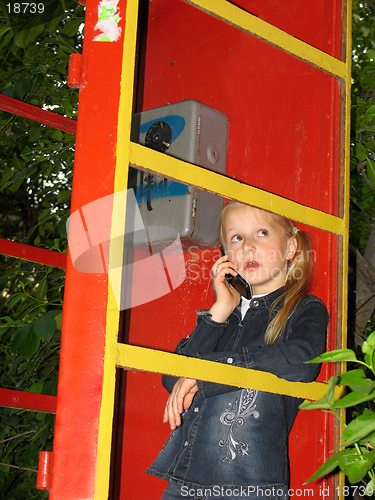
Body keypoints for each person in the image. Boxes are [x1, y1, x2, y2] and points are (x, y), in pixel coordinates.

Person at [146, 201, 328, 500]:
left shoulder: (303, 308)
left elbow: (302, 361)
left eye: (262, 233)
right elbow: (173, 376)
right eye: (236, 238)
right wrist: (219, 311)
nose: (248, 247)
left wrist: (207, 372)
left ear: (291, 247)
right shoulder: (223, 318)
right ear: (225, 255)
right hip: (184, 479)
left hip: (248, 482)